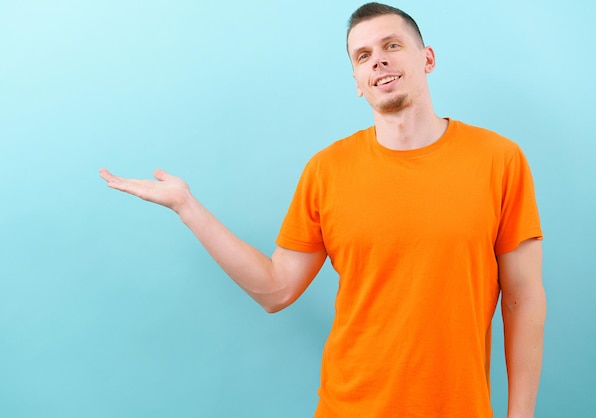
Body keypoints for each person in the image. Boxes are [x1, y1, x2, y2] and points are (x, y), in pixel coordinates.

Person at [100, 3, 546, 417]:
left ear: (426, 58)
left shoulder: (499, 160)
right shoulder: (327, 171)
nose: (379, 60)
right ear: (357, 82)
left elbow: (523, 299)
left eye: (392, 45)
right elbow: (276, 290)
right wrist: (187, 206)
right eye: (363, 55)